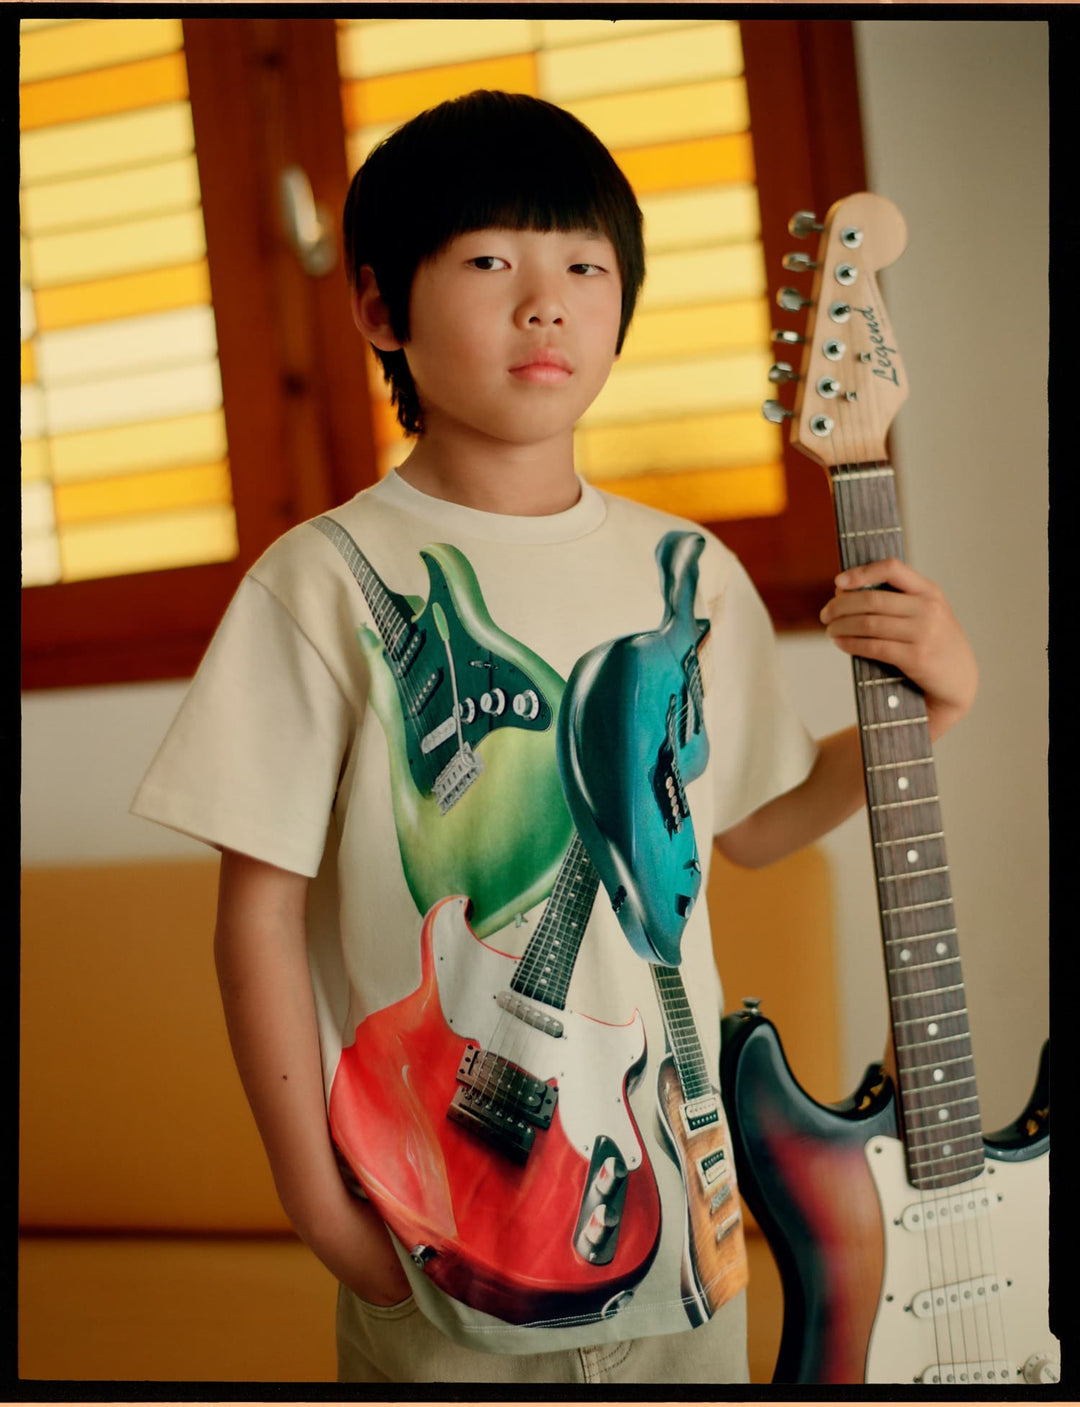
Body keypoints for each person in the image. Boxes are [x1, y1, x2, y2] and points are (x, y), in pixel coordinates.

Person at [132, 90, 977, 1386]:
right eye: (488, 262)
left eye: (586, 266)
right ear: (377, 310)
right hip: (436, 1232)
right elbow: (256, 912)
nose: (547, 302)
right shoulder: (325, 579)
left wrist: (923, 716)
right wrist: (317, 1204)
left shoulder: (686, 572)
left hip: (687, 1236)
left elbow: (748, 824)